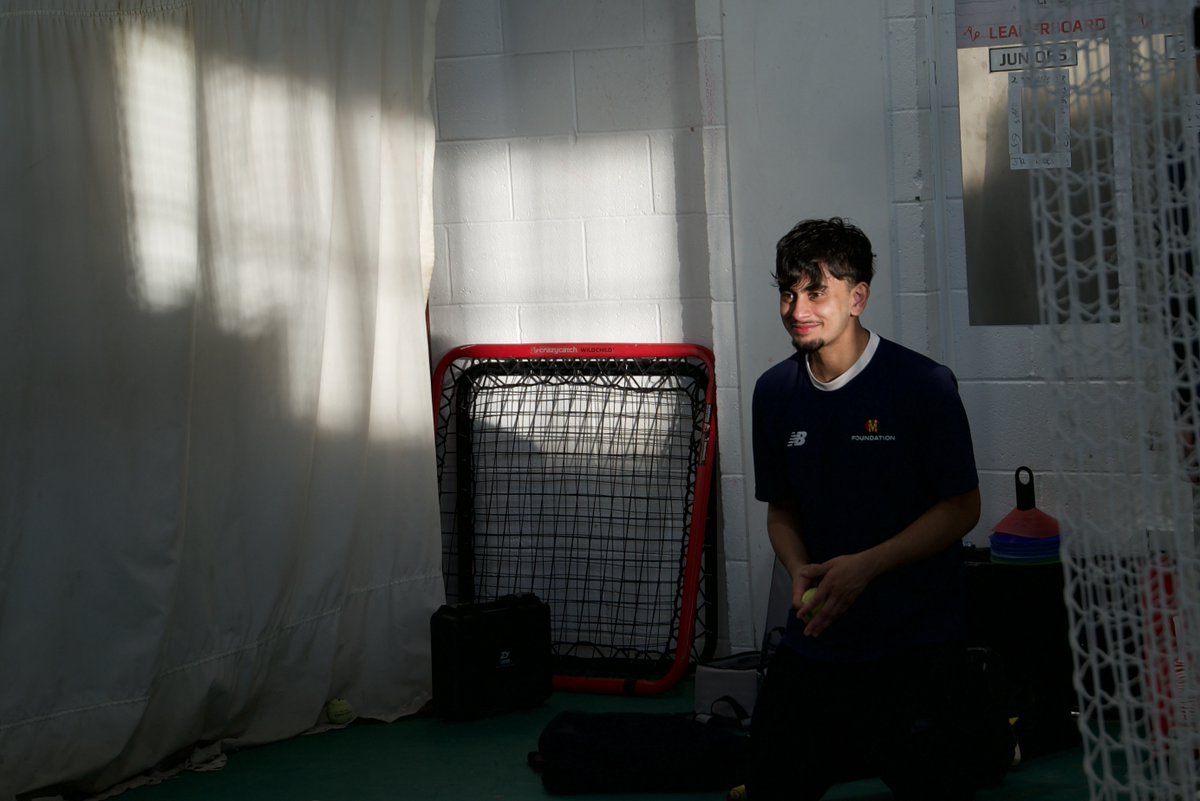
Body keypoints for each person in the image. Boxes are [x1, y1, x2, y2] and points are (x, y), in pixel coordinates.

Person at [747, 217, 999, 801]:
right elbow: (780, 510)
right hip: (819, 637)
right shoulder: (774, 393)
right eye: (788, 292)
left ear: (857, 297)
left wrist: (867, 566)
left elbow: (963, 508)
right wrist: (798, 568)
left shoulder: (922, 385)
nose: (796, 308)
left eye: (816, 291)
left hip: (915, 641)